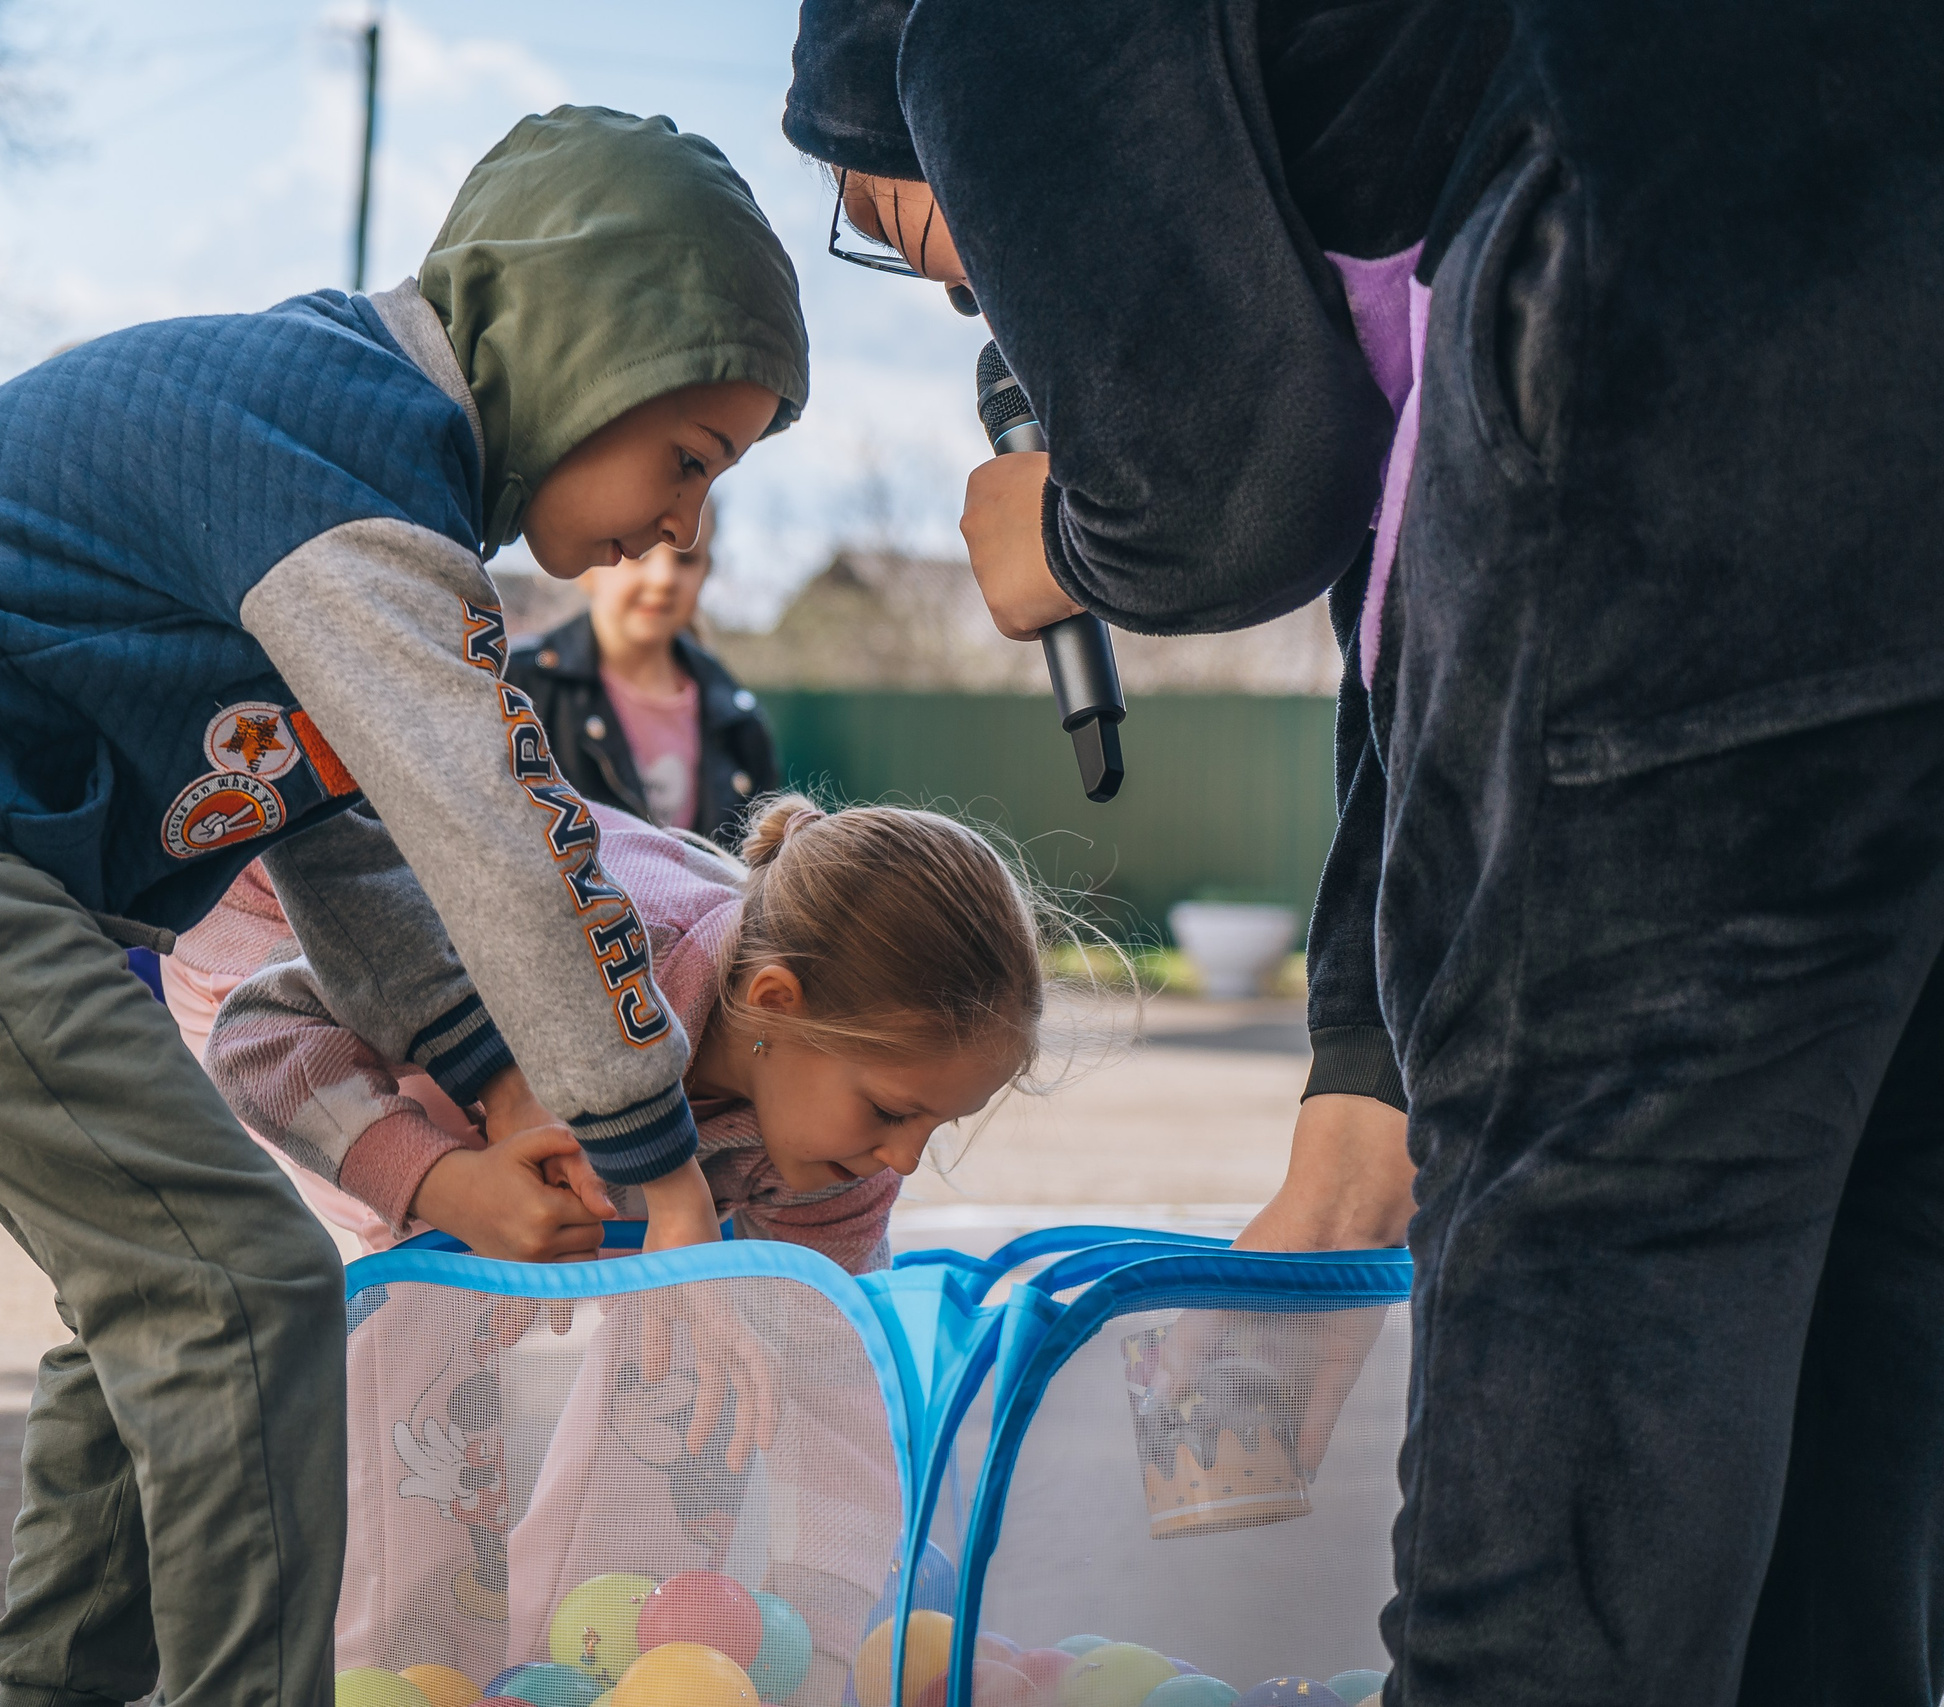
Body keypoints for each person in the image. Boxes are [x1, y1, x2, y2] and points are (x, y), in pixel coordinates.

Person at [784, 4, 1944, 1703]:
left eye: (910, 225)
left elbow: (1240, 499)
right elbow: (1426, 613)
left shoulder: (950, 27)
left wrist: (1069, 534)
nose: (983, 288)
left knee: (1595, 1335)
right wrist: (1355, 1114)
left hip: (1680, 363)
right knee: (1853, 1302)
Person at [0, 106, 810, 1707]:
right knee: (242, 1285)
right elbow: (504, 827)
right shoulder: (348, 450)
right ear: (574, 352)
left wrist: (499, 1093)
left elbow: (343, 852)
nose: (690, 520)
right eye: (686, 455)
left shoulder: (367, 489)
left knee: (154, 1277)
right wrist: (663, 1180)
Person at [201, 794, 1047, 1692]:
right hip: (263, 900)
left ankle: (578, 1656)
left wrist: (829, 1644)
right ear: (773, 1003)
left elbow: (828, 1379)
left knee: (709, 1326)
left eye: (939, 1125)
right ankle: (409, 1647)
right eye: (891, 1109)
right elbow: (261, 1036)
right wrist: (441, 1181)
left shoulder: (846, 1150)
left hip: (600, 1050)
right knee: (431, 1304)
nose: (906, 1156)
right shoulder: (590, 956)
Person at [502, 506, 779, 847]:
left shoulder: (737, 717)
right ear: (588, 565)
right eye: (640, 552)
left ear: (708, 570)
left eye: (687, 559)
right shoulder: (517, 685)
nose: (664, 578)